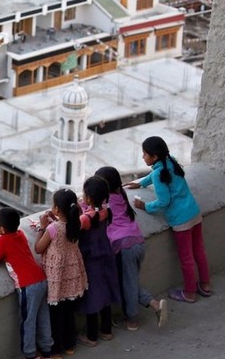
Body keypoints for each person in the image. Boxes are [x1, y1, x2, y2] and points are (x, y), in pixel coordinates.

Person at [126, 136, 212, 303]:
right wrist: (142, 183)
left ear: (154, 157)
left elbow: (164, 201)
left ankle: (190, 293)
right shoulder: (169, 161)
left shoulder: (159, 174)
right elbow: (158, 173)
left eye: (145, 154)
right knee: (199, 251)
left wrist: (145, 206)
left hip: (181, 221)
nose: (143, 157)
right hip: (194, 212)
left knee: (186, 257)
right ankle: (206, 285)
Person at [95, 166, 168, 330]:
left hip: (124, 245)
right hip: (136, 241)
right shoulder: (120, 193)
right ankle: (154, 304)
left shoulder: (104, 201)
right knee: (130, 280)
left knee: (128, 283)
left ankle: (132, 320)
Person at [0, 207, 53, 359]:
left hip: (27, 286)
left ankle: (30, 354)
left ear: (2, 229)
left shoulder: (3, 240)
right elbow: (14, 247)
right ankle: (46, 351)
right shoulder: (21, 234)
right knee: (43, 316)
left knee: (27, 320)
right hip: (40, 279)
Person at [35, 188, 88, 359]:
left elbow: (38, 248)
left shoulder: (53, 228)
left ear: (56, 209)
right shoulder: (76, 223)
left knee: (55, 315)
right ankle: (70, 345)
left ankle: (56, 350)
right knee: (68, 313)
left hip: (57, 277)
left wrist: (41, 228)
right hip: (71, 274)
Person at [76, 176, 120, 347]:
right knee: (105, 293)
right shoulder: (106, 211)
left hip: (90, 258)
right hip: (105, 254)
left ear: (88, 197)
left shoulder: (86, 219)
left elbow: (73, 229)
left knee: (92, 297)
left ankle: (91, 336)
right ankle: (106, 331)